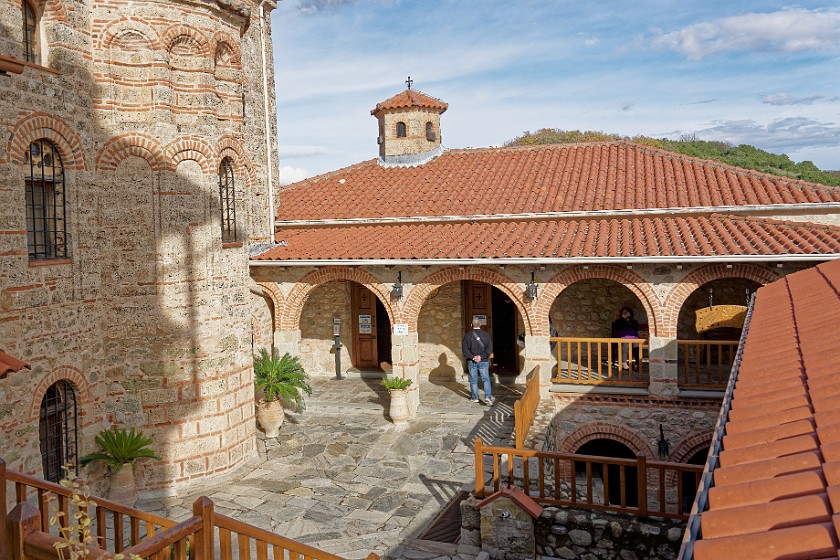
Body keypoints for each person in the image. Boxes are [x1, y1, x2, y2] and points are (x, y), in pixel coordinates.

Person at [462, 317, 494, 405]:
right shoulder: (486, 335)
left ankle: (475, 397)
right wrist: (481, 356)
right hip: (483, 361)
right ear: (480, 325)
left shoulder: (467, 336)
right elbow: (489, 349)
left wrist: (473, 357)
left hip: (472, 361)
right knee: (486, 379)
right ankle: (487, 397)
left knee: (473, 380)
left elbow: (465, 350)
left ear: (471, 325)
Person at [611, 306, 640, 370]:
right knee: (625, 344)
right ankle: (624, 362)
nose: (626, 313)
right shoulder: (619, 321)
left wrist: (628, 321)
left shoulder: (634, 321)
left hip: (633, 337)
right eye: (624, 312)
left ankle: (637, 362)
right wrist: (623, 319)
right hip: (623, 337)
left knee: (636, 345)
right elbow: (618, 328)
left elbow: (635, 328)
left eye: (627, 312)